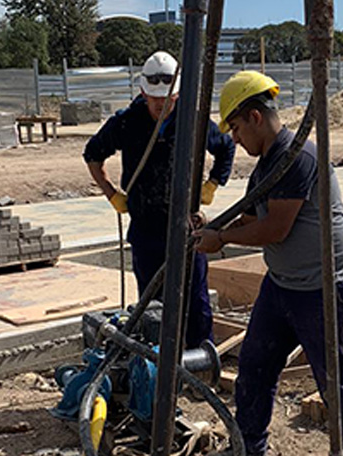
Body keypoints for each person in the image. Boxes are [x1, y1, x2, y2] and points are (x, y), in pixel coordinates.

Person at [195, 71, 343, 456]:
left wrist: (220, 240)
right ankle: (249, 445)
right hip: (283, 284)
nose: (236, 140)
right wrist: (212, 225)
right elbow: (254, 217)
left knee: (335, 378)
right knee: (255, 365)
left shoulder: (298, 158)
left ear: (255, 118)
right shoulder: (267, 165)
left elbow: (274, 229)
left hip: (323, 286)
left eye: (236, 128)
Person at [83, 51, 236, 347]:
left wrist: (213, 184)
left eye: (167, 100)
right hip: (146, 225)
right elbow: (92, 154)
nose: (161, 107)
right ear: (143, 91)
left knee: (195, 298)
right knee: (152, 302)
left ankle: (198, 359)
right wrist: (111, 193)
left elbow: (225, 148)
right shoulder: (127, 122)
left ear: (177, 95)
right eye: (154, 101)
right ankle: (157, 360)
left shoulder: (193, 120)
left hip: (186, 225)